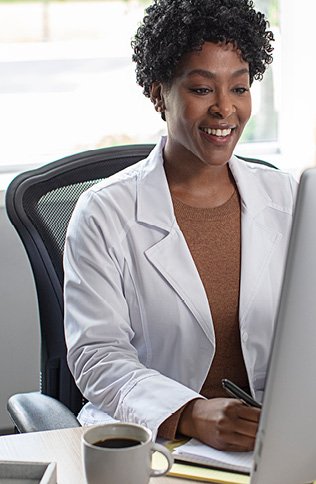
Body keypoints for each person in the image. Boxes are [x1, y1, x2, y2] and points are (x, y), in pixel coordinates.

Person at [64, 0, 297, 452]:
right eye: (202, 89)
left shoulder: (286, 197)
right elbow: (97, 354)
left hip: (272, 437)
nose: (225, 109)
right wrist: (191, 413)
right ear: (158, 94)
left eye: (240, 88)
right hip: (160, 441)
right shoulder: (104, 213)